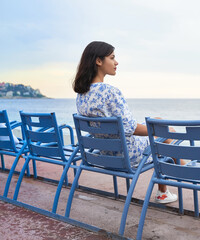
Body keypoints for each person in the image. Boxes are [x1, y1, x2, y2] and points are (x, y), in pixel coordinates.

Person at [72, 41, 177, 204]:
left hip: (103, 154)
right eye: (112, 58)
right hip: (127, 155)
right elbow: (131, 128)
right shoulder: (110, 92)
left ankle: (171, 181)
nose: (116, 62)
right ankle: (177, 176)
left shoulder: (81, 95)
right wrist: (159, 131)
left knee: (158, 122)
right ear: (98, 61)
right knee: (164, 133)